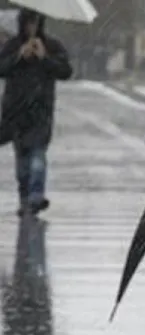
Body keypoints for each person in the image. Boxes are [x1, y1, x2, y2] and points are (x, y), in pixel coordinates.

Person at [0, 8, 72, 217]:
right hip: (16, 112)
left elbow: (65, 71)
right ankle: (25, 198)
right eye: (28, 23)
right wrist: (18, 57)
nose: (31, 27)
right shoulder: (12, 46)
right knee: (22, 162)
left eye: (35, 23)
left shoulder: (52, 46)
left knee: (38, 155)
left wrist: (44, 58)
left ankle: (36, 195)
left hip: (41, 111)